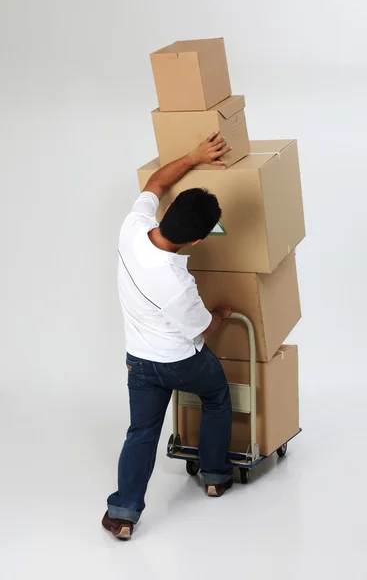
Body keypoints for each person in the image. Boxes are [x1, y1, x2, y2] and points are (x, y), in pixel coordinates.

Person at [102, 132, 234, 540]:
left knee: (141, 431)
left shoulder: (132, 227)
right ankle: (214, 475)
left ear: (168, 210)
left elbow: (155, 182)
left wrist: (194, 155)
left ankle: (123, 514)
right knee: (215, 396)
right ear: (197, 240)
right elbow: (202, 328)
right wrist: (221, 313)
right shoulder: (179, 283)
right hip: (182, 363)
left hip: (139, 362)